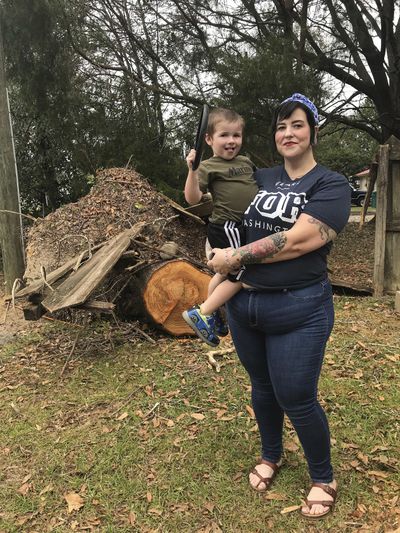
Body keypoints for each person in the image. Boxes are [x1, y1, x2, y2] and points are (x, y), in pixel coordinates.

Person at [207, 93, 351, 520]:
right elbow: (220, 210)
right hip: (245, 305)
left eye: (297, 125)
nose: (288, 133)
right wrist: (214, 244)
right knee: (262, 388)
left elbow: (302, 240)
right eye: (281, 126)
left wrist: (236, 257)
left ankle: (323, 477)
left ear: (313, 132)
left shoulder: (329, 183)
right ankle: (272, 455)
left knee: (296, 396)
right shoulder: (257, 174)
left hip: (299, 308)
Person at [182, 107, 258, 347]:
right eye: (224, 135)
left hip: (242, 227)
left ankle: (213, 315)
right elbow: (192, 198)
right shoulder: (208, 166)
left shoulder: (245, 162)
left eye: (236, 135)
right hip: (227, 226)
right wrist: (192, 171)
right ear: (209, 139)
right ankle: (203, 312)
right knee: (245, 274)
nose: (231, 141)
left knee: (224, 273)